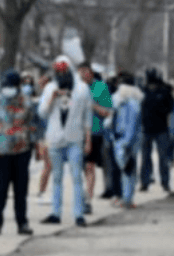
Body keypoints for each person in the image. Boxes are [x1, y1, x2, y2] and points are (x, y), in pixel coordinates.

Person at [37, 55, 92, 227]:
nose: (61, 73)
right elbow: (42, 113)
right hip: (55, 139)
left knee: (76, 176)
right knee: (57, 177)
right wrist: (52, 97)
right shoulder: (50, 88)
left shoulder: (82, 88)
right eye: (58, 71)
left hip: (74, 138)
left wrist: (88, 140)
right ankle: (55, 213)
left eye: (64, 70)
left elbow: (87, 117)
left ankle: (79, 214)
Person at [0, 69, 36, 236]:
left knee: (21, 189)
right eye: (5, 85)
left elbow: (33, 123)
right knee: (0, 188)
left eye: (11, 85)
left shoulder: (26, 101)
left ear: (18, 86)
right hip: (1, 150)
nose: (7, 89)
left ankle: (22, 222)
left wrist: (34, 142)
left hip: (22, 149)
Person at [80, 63, 110, 208]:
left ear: (91, 73)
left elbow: (107, 112)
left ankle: (88, 200)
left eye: (85, 72)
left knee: (90, 166)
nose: (82, 75)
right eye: (80, 72)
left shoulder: (101, 87)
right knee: (79, 167)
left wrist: (93, 105)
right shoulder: (76, 87)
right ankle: (81, 195)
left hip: (94, 132)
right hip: (76, 133)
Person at [110, 76, 143, 209]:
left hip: (125, 140)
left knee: (127, 170)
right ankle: (127, 198)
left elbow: (131, 125)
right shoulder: (127, 102)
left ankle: (127, 198)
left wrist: (126, 143)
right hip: (123, 139)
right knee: (128, 170)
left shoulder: (131, 104)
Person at [140, 69, 174, 193]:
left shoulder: (164, 91)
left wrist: (161, 110)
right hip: (147, 128)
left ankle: (165, 182)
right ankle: (145, 182)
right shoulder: (143, 91)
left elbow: (171, 107)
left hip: (161, 128)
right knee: (145, 157)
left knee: (163, 157)